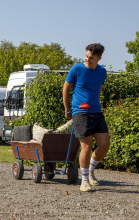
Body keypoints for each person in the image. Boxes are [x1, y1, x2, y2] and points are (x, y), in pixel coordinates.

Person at [62, 43, 110, 192]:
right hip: (80, 111)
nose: (87, 59)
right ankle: (84, 181)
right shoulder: (76, 69)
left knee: (104, 145)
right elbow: (66, 88)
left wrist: (95, 104)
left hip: (96, 111)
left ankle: (90, 171)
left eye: (91, 58)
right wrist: (67, 109)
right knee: (86, 146)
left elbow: (98, 91)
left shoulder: (102, 72)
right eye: (86, 56)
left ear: (99, 58)